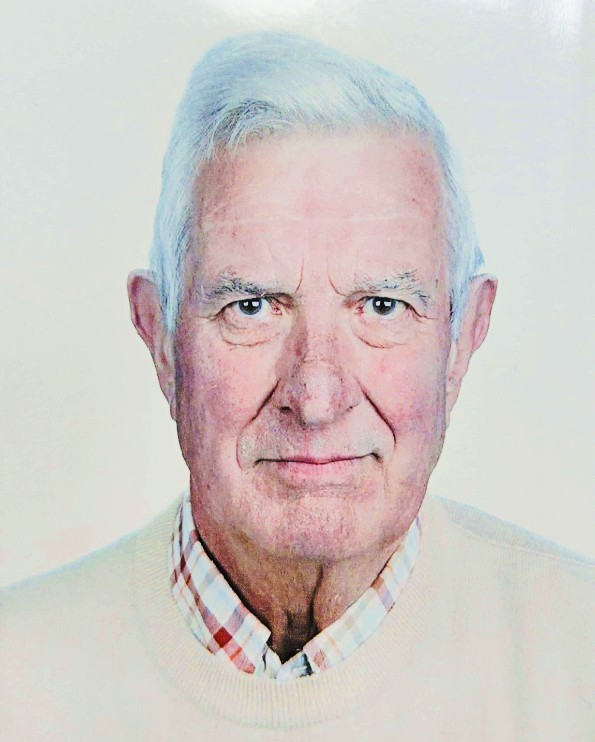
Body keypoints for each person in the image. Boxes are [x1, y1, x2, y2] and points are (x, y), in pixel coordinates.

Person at [2, 31, 593, 741]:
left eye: (382, 306)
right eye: (251, 306)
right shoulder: (16, 679)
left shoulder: (578, 658)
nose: (316, 397)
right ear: (159, 335)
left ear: (463, 337)